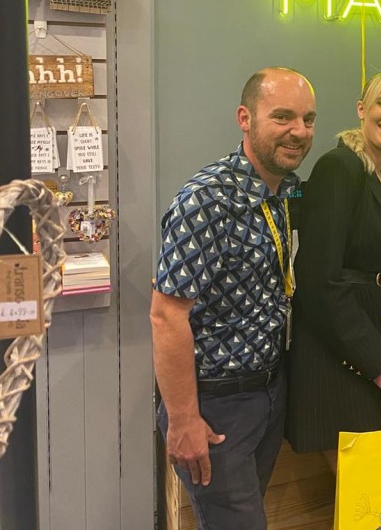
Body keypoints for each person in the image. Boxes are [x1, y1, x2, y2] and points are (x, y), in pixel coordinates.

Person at [151, 67, 316, 530]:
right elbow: (166, 316)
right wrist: (183, 418)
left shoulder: (280, 193)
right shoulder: (207, 199)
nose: (299, 132)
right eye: (282, 116)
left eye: (307, 119)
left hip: (268, 392)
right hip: (216, 407)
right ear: (245, 118)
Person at [284, 71, 381, 460]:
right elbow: (319, 279)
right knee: (366, 500)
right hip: (347, 353)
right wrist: (378, 364)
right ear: (362, 109)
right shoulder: (339, 167)